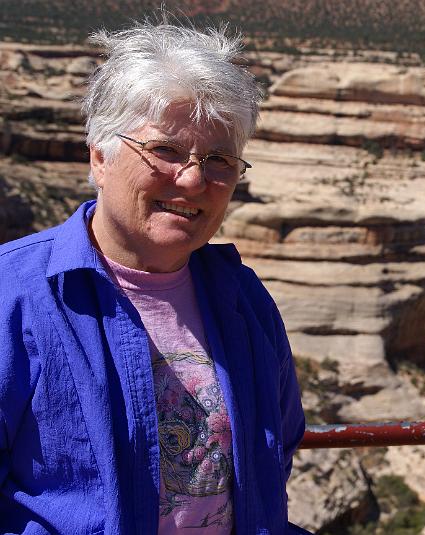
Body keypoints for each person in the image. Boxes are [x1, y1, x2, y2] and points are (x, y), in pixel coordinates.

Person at [0, 20, 310, 534]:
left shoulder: (244, 298)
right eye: (165, 150)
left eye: (218, 160)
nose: (192, 179)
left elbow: (277, 451)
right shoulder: (16, 295)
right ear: (99, 156)